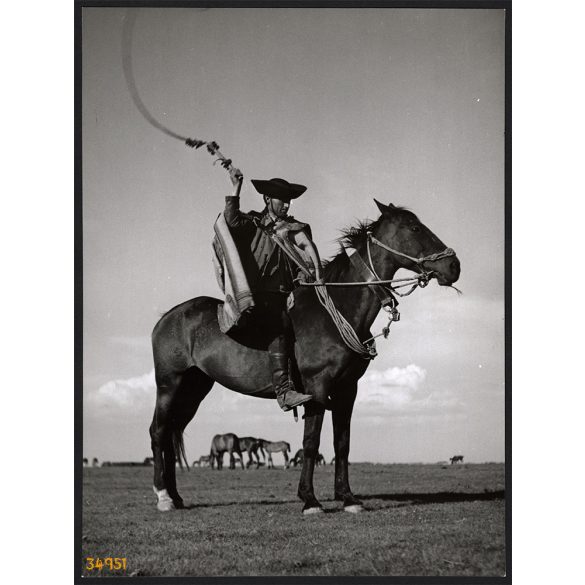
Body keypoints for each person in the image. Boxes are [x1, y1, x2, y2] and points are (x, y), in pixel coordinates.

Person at [223, 166, 324, 411]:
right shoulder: (253, 223)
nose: (287, 205)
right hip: (259, 297)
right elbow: (230, 221)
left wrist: (303, 284)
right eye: (282, 200)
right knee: (278, 326)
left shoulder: (296, 228)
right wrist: (236, 188)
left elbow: (306, 259)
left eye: (289, 201)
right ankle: (284, 392)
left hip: (288, 294)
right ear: (268, 199)